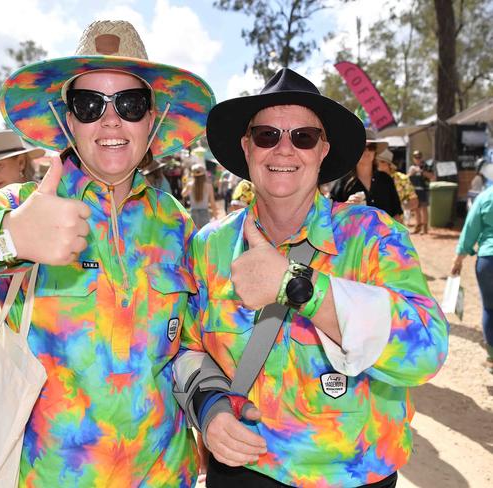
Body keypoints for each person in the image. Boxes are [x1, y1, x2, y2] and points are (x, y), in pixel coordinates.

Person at [0, 20, 215, 486]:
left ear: (152, 119)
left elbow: (187, 344)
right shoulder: (17, 207)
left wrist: (211, 408)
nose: (110, 120)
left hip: (167, 475)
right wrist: (5, 241)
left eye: (130, 104)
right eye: (89, 105)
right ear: (68, 120)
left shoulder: (174, 223)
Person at [173, 68, 449, 487]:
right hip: (244, 472)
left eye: (303, 137)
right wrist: (208, 407)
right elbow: (188, 346)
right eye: (267, 136)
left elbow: (426, 351)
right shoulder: (209, 246)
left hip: (353, 475)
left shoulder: (372, 236)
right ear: (247, 147)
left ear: (323, 150)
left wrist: (297, 285)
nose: (284, 150)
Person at [451, 184, 493, 373]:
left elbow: (470, 230)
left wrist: (458, 260)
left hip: (488, 261)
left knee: (490, 308)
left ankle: (492, 357)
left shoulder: (486, 197)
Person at [330, 129, 403, 221]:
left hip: (384, 235)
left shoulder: (386, 179)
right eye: (362, 147)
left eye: (371, 147)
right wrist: (346, 206)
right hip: (354, 235)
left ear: (375, 152)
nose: (367, 151)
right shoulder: (343, 182)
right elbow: (329, 216)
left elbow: (396, 214)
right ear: (354, 152)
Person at [376, 149, 418, 224]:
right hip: (375, 225)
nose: (378, 164)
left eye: (382, 161)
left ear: (389, 165)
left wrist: (399, 208)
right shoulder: (370, 179)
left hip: (396, 224)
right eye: (376, 161)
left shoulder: (402, 179)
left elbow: (414, 202)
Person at [182, 163, 219, 228]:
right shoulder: (209, 185)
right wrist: (215, 217)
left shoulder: (190, 185)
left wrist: (186, 184)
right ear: (204, 174)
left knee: (195, 236)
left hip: (193, 213)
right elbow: (212, 202)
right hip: (204, 213)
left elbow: (183, 194)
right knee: (204, 236)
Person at [407, 149, 433, 234]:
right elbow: (406, 178)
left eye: (419, 157)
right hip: (414, 190)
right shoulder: (411, 167)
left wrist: (421, 171)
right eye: (416, 157)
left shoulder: (426, 166)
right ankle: (418, 226)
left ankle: (425, 228)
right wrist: (411, 173)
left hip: (423, 189)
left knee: (424, 208)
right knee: (416, 208)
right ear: (413, 158)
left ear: (421, 158)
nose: (417, 159)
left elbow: (432, 176)